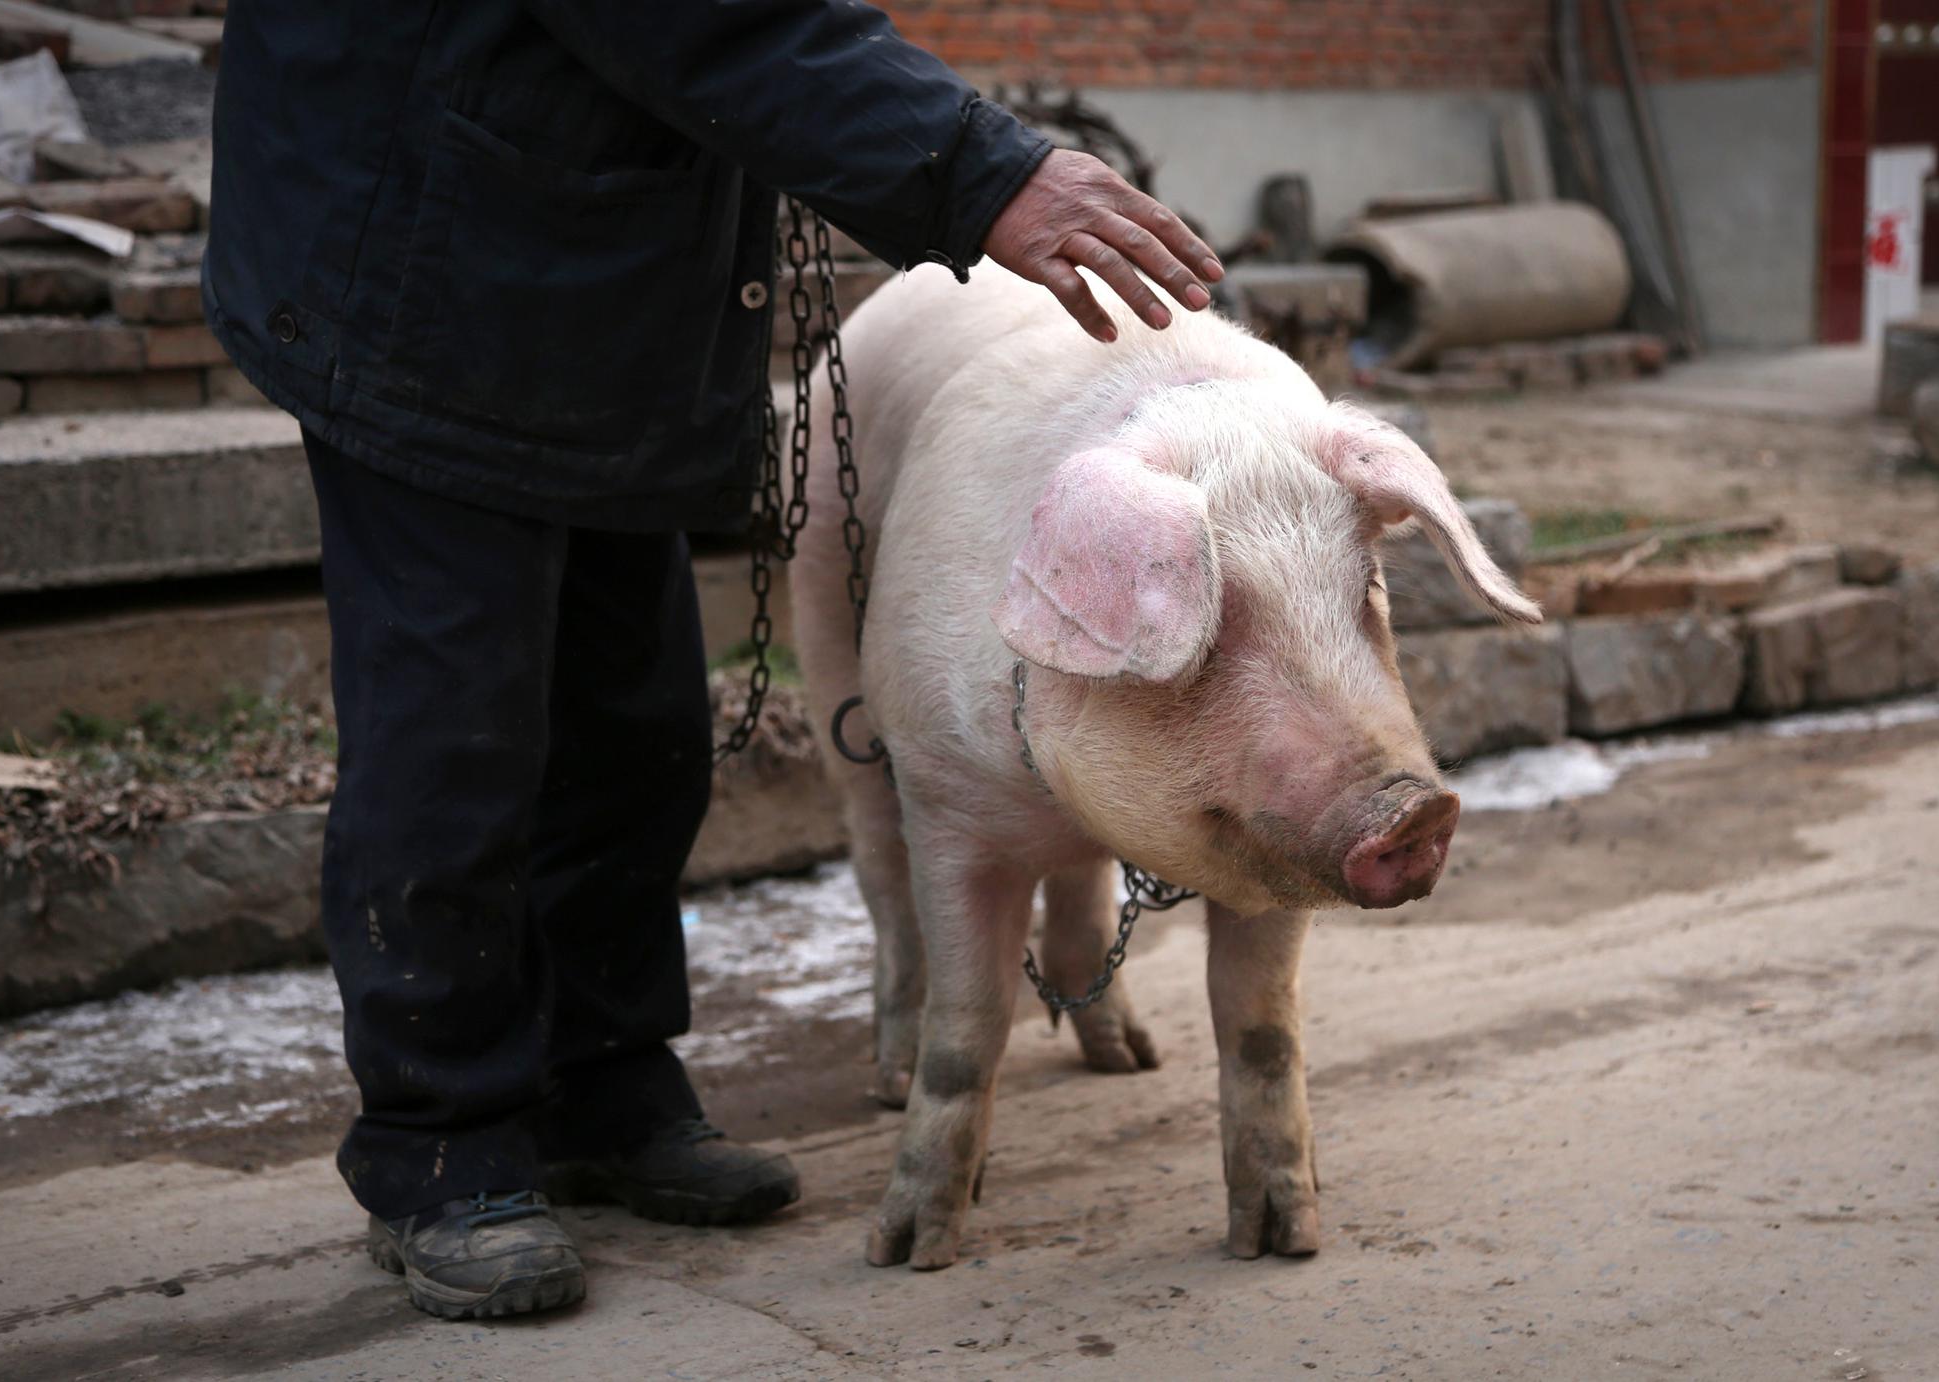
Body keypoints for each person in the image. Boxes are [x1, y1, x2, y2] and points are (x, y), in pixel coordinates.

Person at [204, 1, 1222, 1321]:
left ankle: (604, 1083)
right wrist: (983, 168)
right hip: (423, 261)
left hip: (584, 271)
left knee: (636, 733)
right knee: (455, 737)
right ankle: (440, 1140)